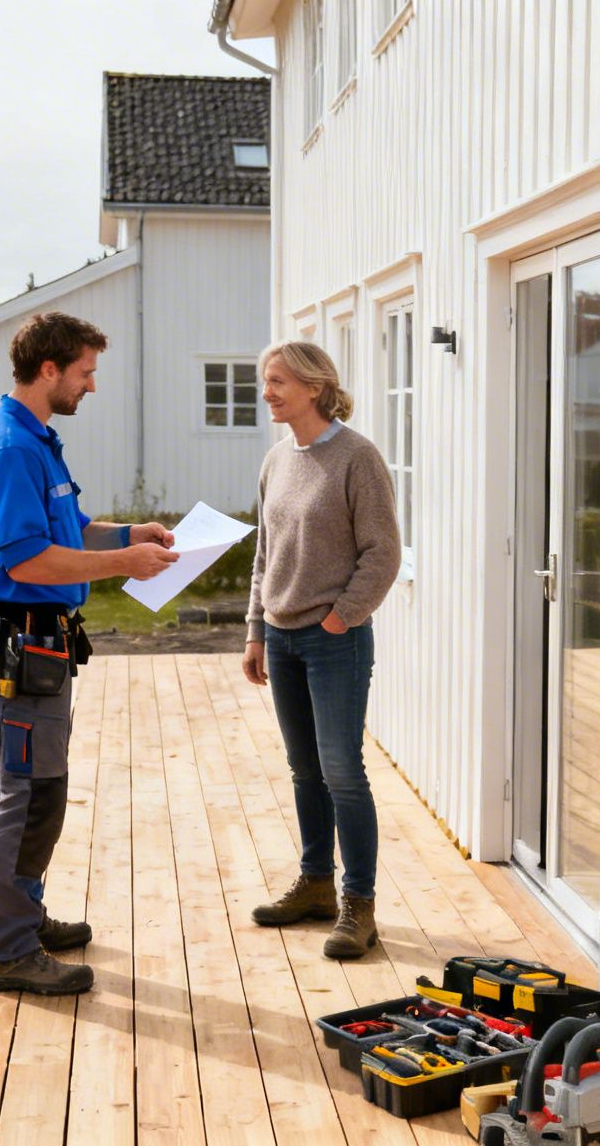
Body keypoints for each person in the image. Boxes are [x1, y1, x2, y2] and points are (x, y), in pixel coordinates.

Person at [0, 311, 177, 996]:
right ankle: (11, 952)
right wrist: (127, 567)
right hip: (26, 641)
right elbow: (27, 558)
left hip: (34, 644)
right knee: (32, 795)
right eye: (85, 372)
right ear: (48, 369)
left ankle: (6, 921)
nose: (91, 385)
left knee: (12, 792)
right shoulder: (11, 450)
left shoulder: (34, 441)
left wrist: (125, 535)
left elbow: (69, 528)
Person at [240, 340, 401, 960]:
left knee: (342, 772)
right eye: (265, 380)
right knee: (304, 769)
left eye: (277, 381)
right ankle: (314, 885)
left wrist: (340, 619)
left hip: (334, 642)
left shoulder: (357, 457)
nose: (268, 392)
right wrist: (255, 629)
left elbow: (382, 552)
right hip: (279, 638)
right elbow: (265, 555)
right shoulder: (277, 459)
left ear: (314, 386)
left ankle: (359, 903)